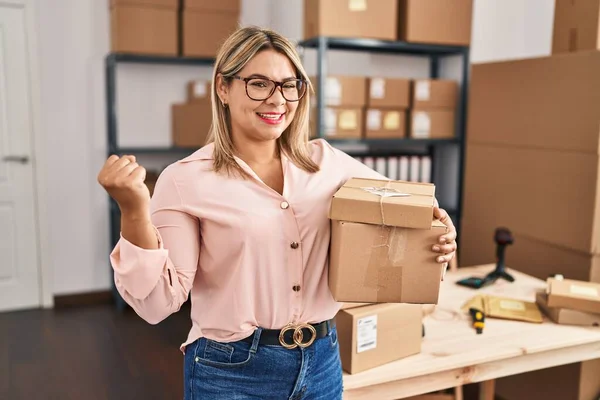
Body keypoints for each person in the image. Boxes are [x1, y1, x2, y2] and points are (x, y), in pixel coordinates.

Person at [97, 26, 457, 400]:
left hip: (321, 361)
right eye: (258, 84)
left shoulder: (329, 164)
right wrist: (134, 209)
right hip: (230, 371)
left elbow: (410, 211)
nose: (277, 100)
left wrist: (440, 233)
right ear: (223, 87)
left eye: (289, 85)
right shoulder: (186, 180)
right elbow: (159, 303)